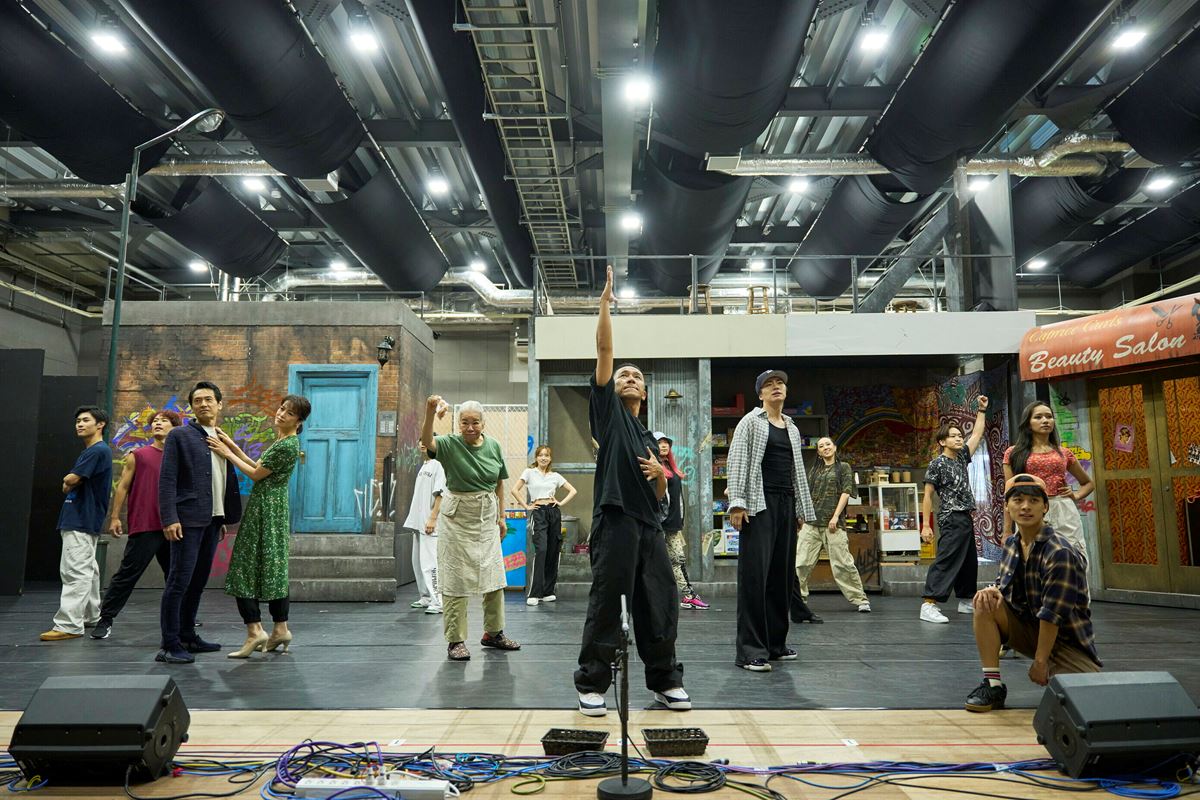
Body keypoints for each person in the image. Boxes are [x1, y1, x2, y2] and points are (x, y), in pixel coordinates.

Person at [575, 265, 688, 717]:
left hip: (650, 527)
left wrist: (661, 477)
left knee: (660, 604)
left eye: (636, 376)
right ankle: (592, 684)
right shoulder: (610, 416)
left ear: (645, 389)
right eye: (622, 374)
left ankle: (665, 681)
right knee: (608, 603)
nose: (628, 378)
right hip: (615, 521)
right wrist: (605, 304)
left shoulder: (648, 436)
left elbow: (660, 495)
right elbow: (604, 349)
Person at [965, 473, 1100, 712]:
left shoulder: (1059, 552)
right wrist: (993, 590)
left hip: (1066, 641)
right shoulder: (1011, 544)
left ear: (1045, 507)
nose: (1025, 506)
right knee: (985, 602)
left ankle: (1066, 669)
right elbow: (1005, 587)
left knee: (1085, 704)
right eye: (1018, 500)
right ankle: (993, 685)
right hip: (1031, 628)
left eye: (1034, 501)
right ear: (1007, 507)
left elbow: (1052, 614)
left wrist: (1040, 661)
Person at [728, 370, 818, 672]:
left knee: (782, 577)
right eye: (769, 385)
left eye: (780, 383)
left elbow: (796, 471)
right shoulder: (750, 422)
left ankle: (775, 644)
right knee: (755, 577)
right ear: (761, 394)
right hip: (759, 503)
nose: (776, 387)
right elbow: (737, 461)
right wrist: (737, 503)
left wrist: (800, 509)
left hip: (786, 503)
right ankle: (750, 651)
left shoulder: (791, 426)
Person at [421, 397, 521, 661]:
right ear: (458, 423)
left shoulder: (494, 446)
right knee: (455, 579)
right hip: (457, 518)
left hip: (486, 517)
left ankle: (493, 633)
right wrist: (430, 412)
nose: (470, 427)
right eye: (464, 422)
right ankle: (455, 640)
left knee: (494, 578)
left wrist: (502, 517)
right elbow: (427, 442)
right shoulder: (449, 444)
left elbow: (499, 483)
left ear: (483, 423)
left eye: (475, 422)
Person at [211, 394, 310, 658]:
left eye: (289, 413)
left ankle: (255, 632)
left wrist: (226, 453)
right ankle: (280, 629)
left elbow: (255, 474)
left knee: (243, 567)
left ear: (299, 421)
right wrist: (231, 444)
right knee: (274, 566)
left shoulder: (286, 445)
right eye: (282, 408)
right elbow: (258, 465)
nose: (281, 414)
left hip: (265, 509)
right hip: (272, 508)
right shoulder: (283, 441)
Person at [157, 381, 242, 664]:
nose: (203, 404)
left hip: (212, 520)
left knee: (197, 582)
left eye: (208, 399)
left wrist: (221, 516)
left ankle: (188, 636)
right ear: (192, 407)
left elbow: (220, 479)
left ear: (219, 404)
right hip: (187, 520)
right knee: (178, 581)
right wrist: (170, 518)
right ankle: (169, 644)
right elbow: (167, 479)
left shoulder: (221, 437)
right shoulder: (180, 435)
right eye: (197, 401)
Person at [91, 410, 182, 640]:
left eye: (164, 421)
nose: (158, 423)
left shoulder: (180, 458)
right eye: (155, 421)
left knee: (176, 575)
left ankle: (181, 618)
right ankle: (106, 619)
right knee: (127, 574)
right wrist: (114, 517)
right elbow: (122, 487)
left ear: (175, 428)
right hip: (145, 524)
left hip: (173, 525)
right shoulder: (138, 455)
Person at [40, 406, 113, 641]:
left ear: (100, 424)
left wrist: (70, 478)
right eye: (78, 421)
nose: (79, 424)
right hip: (84, 519)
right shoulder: (94, 451)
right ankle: (91, 615)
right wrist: (70, 481)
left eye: (85, 420)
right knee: (88, 569)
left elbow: (69, 480)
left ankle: (69, 624)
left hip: (81, 518)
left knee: (75, 571)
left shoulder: (96, 451)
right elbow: (68, 484)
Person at [919, 396, 989, 624]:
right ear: (942, 441)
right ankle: (929, 603)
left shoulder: (961, 458)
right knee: (947, 559)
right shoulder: (937, 464)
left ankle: (966, 600)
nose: (959, 438)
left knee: (969, 561)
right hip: (951, 517)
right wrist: (926, 525)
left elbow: (976, 435)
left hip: (966, 516)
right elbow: (928, 495)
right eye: (954, 436)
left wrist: (981, 410)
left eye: (960, 435)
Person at [1003, 401, 1094, 559]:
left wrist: (1076, 495)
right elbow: (1008, 493)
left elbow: (1088, 483)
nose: (1045, 420)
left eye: (1049, 417)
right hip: (1029, 508)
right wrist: (1007, 530)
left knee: (1072, 555)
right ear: (1028, 423)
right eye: (1038, 417)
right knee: (1032, 557)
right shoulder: (1013, 453)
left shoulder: (1064, 453)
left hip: (1062, 509)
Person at [794, 437, 871, 613]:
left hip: (833, 525)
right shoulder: (814, 471)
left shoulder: (843, 467)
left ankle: (860, 599)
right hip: (811, 524)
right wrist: (801, 516)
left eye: (828, 444)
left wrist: (835, 516)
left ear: (835, 448)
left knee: (842, 564)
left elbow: (846, 492)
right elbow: (805, 495)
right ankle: (798, 600)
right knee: (801, 564)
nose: (825, 447)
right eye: (821, 446)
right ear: (818, 452)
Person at [511, 445, 577, 606]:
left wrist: (560, 502)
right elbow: (514, 490)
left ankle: (548, 591)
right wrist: (527, 506)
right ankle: (535, 593)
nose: (543, 458)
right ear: (536, 457)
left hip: (553, 512)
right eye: (541, 455)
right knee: (541, 550)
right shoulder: (529, 472)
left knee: (553, 551)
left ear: (550, 458)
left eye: (546, 455)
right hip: (538, 512)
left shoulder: (555, 476)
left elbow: (573, 490)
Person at [654, 433, 708, 610]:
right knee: (657, 560)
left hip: (673, 523)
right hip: (660, 523)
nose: (664, 445)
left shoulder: (669, 465)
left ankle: (688, 595)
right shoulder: (654, 467)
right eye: (659, 443)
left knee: (678, 559)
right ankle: (680, 595)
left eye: (666, 443)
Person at [405, 441, 447, 614]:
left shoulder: (439, 464)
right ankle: (426, 597)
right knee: (417, 562)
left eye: (427, 441)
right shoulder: (424, 465)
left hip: (430, 523)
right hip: (417, 523)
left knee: (430, 564)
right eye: (421, 441)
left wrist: (433, 518)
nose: (423, 444)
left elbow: (441, 494)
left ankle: (438, 602)